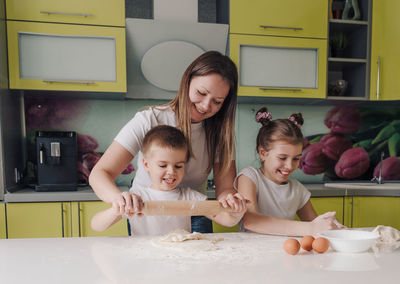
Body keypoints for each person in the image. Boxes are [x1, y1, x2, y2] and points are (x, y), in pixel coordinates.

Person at [89, 51, 242, 233]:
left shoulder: (220, 135)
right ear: (187, 82)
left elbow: (225, 189)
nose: (206, 106)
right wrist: (120, 200)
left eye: (217, 101)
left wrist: (230, 202)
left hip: (194, 211)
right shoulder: (149, 119)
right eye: (201, 93)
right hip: (145, 211)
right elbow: (100, 173)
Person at [91, 125, 246, 235]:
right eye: (163, 165)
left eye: (178, 166)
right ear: (146, 164)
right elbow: (96, 225)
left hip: (179, 261)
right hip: (143, 262)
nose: (171, 172)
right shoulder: (136, 198)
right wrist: (116, 208)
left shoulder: (190, 197)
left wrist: (236, 213)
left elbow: (226, 220)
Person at [235, 107, 345, 236]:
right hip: (252, 252)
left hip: (285, 252)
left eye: (296, 159)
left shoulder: (297, 189)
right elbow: (251, 221)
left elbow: (314, 224)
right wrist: (311, 228)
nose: (289, 166)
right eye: (282, 158)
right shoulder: (249, 177)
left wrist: (331, 226)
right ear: (263, 153)